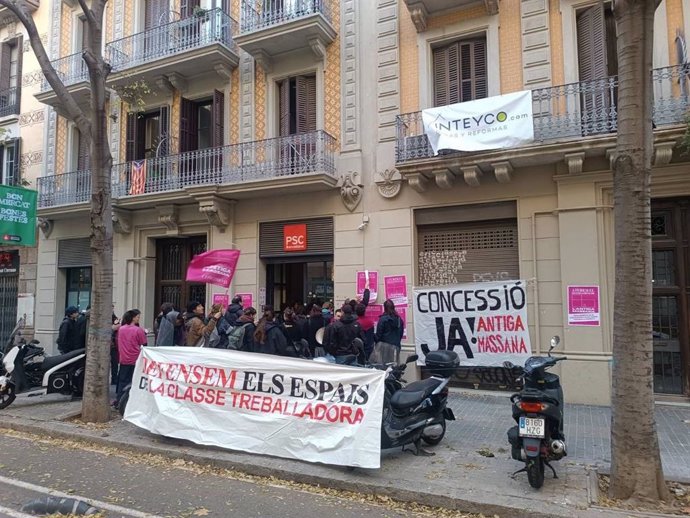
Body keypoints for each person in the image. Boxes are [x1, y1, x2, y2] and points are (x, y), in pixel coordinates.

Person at [116, 309, 147, 405]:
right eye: (138, 317)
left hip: (123, 358)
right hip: (135, 359)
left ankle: (119, 400)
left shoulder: (121, 329)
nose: (138, 319)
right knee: (134, 380)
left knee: (122, 380)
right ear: (133, 318)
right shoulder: (138, 330)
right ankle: (131, 401)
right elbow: (144, 344)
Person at [372, 299, 405, 364]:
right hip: (396, 346)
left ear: (384, 308)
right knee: (394, 366)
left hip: (384, 347)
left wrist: (373, 336)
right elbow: (401, 334)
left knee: (385, 367)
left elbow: (378, 335)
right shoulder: (399, 319)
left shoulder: (383, 319)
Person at [111, 307, 121, 385]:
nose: (112, 310)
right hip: (110, 343)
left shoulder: (115, 318)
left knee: (114, 363)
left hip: (114, 344)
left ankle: (114, 378)